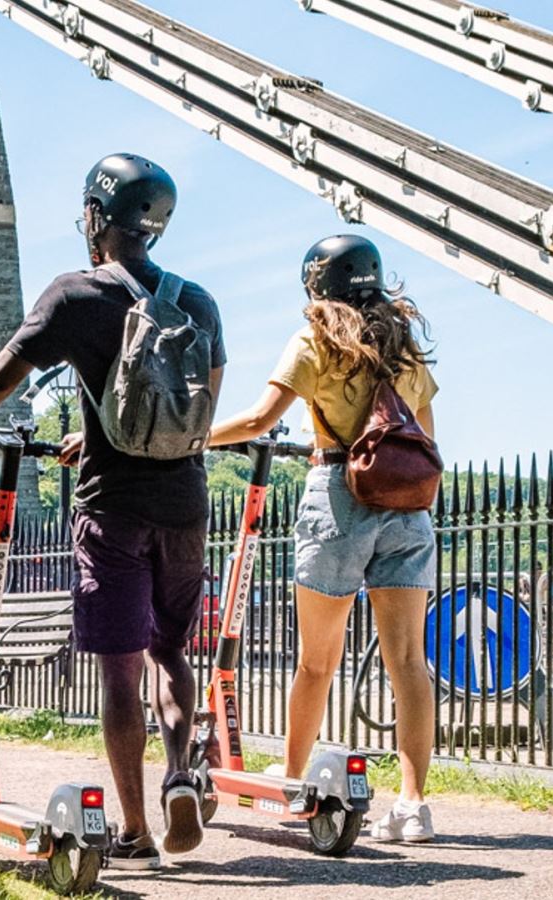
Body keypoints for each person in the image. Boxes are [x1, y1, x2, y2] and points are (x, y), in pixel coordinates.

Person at [0, 153, 225, 869]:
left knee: (119, 671)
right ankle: (178, 776)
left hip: (112, 509)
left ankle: (136, 829)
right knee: (171, 652)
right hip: (185, 504)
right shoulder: (198, 303)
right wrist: (103, 422)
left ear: (97, 218)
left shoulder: (76, 296)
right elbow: (194, 416)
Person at [208, 234, 440, 842]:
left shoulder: (315, 340)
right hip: (408, 502)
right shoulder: (405, 346)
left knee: (316, 661)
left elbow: (260, 419)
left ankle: (291, 779)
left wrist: (192, 436)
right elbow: (429, 438)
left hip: (339, 491)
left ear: (315, 284)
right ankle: (413, 805)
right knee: (410, 661)